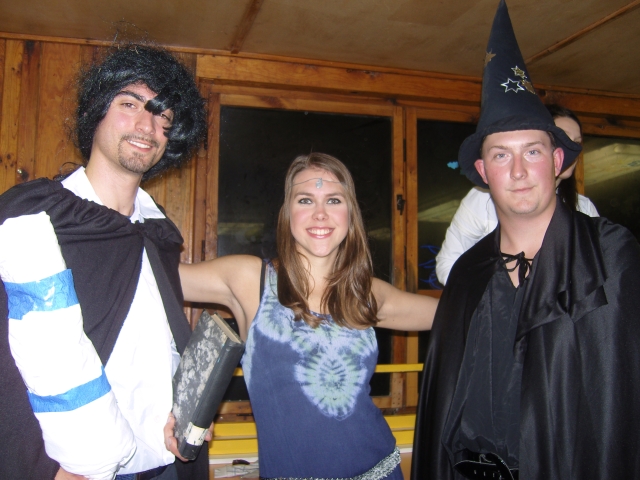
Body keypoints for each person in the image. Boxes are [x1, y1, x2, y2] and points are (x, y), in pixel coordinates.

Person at [412, 1, 640, 479]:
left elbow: (618, 406)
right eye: (501, 155)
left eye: (532, 151)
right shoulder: (468, 273)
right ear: (483, 172)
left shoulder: (609, 256)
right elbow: (443, 404)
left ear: (557, 162)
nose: (517, 171)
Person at [0, 44, 208, 480]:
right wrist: (41, 469)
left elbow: (155, 351)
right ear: (96, 111)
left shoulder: (159, 234)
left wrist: (184, 413)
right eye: (129, 104)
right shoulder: (35, 214)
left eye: (163, 116)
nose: (147, 125)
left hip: (164, 464)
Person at [179, 152, 438, 479]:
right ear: (287, 213)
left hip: (380, 471)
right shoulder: (250, 280)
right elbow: (150, 275)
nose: (320, 214)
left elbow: (459, 313)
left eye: (333, 200)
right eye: (305, 200)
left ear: (350, 214)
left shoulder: (366, 293)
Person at [435, 104, 599, 285]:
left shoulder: (584, 208)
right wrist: (494, 295)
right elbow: (448, 264)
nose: (572, 151)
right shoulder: (482, 199)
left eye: (576, 143)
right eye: (564, 139)